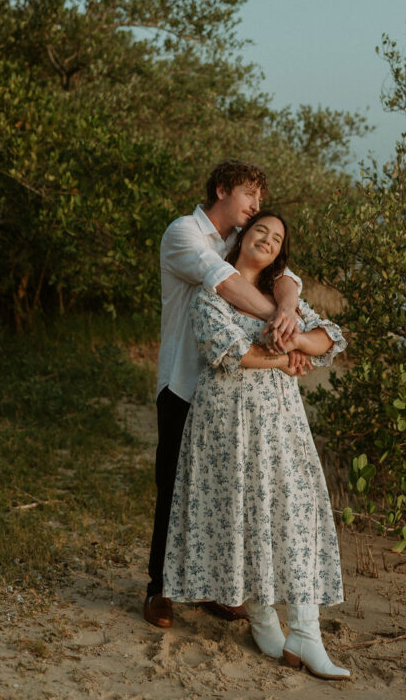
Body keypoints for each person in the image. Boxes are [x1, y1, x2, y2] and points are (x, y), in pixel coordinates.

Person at [163, 211, 350, 681]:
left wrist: (297, 337)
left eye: (277, 237)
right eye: (259, 231)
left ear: (279, 253)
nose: (266, 239)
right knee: (244, 514)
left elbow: (331, 338)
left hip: (281, 421)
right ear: (242, 238)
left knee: (294, 510)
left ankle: (306, 631)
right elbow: (229, 353)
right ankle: (264, 618)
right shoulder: (212, 294)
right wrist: (287, 356)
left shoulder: (280, 298)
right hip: (225, 423)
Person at [144, 161, 305, 629]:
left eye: (259, 199)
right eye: (249, 195)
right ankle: (159, 589)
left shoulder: (241, 238)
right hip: (183, 383)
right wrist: (283, 324)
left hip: (231, 390)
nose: (256, 206)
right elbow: (228, 284)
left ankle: (213, 587)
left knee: (224, 489)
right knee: (173, 489)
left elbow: (285, 275)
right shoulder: (183, 234)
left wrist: (289, 309)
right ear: (221, 190)